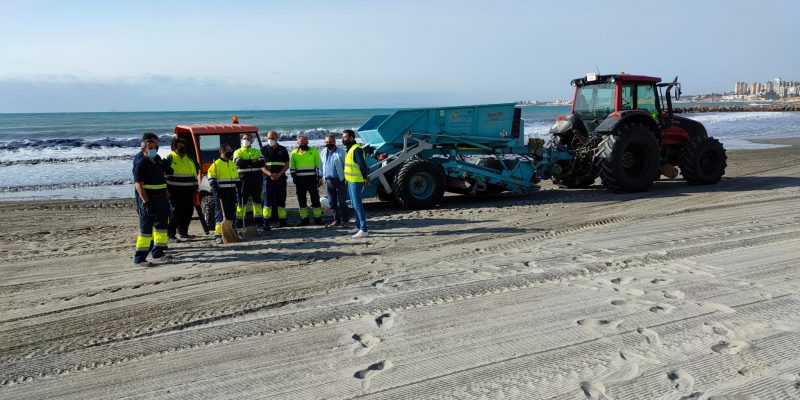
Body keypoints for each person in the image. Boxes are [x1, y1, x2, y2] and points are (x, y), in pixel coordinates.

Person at [133, 132, 170, 265]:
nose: (154, 149)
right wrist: (146, 202)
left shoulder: (157, 160)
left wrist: (166, 192)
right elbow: (138, 185)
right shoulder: (141, 163)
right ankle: (140, 258)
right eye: (150, 148)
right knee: (146, 231)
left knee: (161, 227)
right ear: (143, 149)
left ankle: (158, 252)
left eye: (155, 147)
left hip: (161, 199)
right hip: (149, 200)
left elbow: (161, 179)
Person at [162, 137, 199, 239]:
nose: (183, 148)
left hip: (189, 192)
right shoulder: (168, 159)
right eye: (180, 146)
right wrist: (165, 190)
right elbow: (161, 176)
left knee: (188, 212)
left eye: (184, 146)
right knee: (176, 213)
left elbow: (195, 174)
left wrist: (196, 187)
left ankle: (183, 232)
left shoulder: (190, 159)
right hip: (174, 192)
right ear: (174, 148)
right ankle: (171, 234)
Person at [207, 144, 240, 244]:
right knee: (220, 214)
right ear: (222, 151)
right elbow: (211, 180)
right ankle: (218, 235)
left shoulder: (232, 164)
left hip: (231, 192)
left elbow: (236, 178)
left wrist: (239, 187)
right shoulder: (215, 165)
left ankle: (229, 231)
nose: (231, 152)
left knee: (230, 213)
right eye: (228, 150)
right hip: (221, 193)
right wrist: (216, 191)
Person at [233, 133, 265, 230]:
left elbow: (262, 162)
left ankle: (258, 222)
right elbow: (240, 163)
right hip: (243, 181)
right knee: (242, 202)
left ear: (252, 141)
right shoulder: (237, 152)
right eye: (244, 138)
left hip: (256, 181)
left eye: (248, 139)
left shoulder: (257, 151)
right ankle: (239, 222)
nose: (245, 140)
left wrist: (248, 162)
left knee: (257, 202)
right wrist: (253, 161)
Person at [289, 134, 323, 225]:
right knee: (301, 200)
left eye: (304, 143)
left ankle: (318, 219)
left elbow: (319, 166)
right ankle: (304, 220)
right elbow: (292, 167)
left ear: (307, 142)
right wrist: (294, 177)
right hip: (300, 181)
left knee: (315, 199)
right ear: (297, 143)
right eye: (300, 143)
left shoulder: (313, 151)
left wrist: (320, 177)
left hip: (312, 179)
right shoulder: (294, 153)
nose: (302, 144)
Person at [343, 129, 370, 238]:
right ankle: (358, 226)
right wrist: (346, 178)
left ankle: (364, 229)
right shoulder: (349, 149)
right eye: (343, 137)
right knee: (354, 205)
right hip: (350, 181)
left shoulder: (357, 149)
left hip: (356, 181)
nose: (343, 139)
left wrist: (365, 178)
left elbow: (362, 166)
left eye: (345, 137)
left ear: (351, 138)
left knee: (358, 205)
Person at [260, 131, 290, 228]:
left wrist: (279, 174)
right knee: (267, 201)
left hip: (280, 179)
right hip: (267, 179)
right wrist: (270, 174)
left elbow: (286, 164)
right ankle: (266, 222)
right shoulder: (263, 150)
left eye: (272, 138)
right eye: (269, 138)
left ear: (277, 138)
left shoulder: (283, 149)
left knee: (281, 200)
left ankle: (283, 222)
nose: (270, 140)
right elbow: (261, 166)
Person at [319, 133, 348, 227]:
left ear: (334, 142)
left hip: (339, 180)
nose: (328, 144)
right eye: (326, 142)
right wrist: (320, 177)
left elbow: (346, 166)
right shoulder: (323, 152)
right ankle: (336, 220)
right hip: (328, 181)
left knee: (342, 201)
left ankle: (345, 220)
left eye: (330, 142)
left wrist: (346, 178)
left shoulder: (341, 152)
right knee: (332, 202)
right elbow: (321, 166)